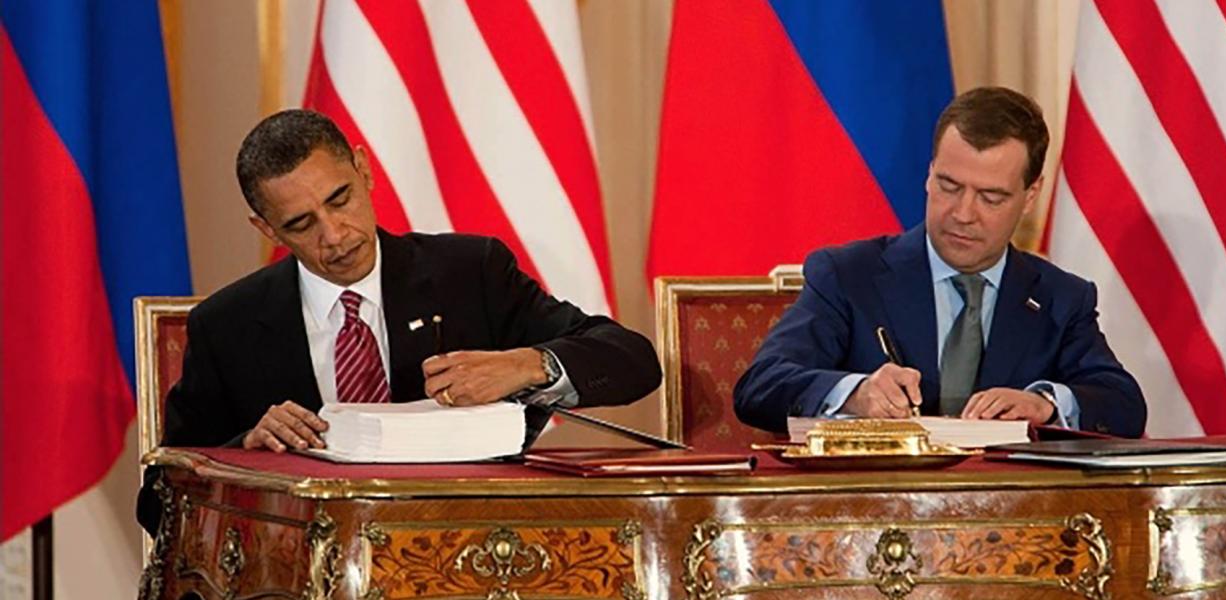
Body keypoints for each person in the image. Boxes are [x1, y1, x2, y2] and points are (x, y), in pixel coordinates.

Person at [137, 109, 661, 534]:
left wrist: (528, 365)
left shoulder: (470, 274)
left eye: (339, 199)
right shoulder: (227, 324)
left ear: (364, 170)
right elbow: (158, 502)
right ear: (265, 226)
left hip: (472, 552)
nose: (335, 235)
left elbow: (634, 361)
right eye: (301, 223)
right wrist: (246, 455)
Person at [734, 87, 1145, 438]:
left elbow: (1123, 404)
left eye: (991, 197)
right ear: (930, 174)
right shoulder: (849, 275)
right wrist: (857, 394)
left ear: (1030, 196)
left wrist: (1044, 405)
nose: (963, 213)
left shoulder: (1059, 298)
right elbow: (760, 387)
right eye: (949, 186)